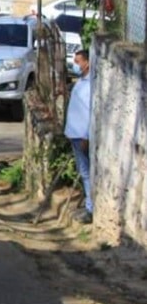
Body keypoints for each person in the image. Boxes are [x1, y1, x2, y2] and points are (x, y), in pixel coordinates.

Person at [64, 49, 93, 224]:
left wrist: (86, 136)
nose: (75, 65)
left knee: (86, 172)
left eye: (78, 61)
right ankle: (89, 204)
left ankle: (91, 209)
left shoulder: (90, 85)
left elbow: (91, 112)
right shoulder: (81, 82)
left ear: (87, 63)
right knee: (83, 172)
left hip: (82, 136)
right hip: (75, 134)